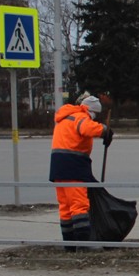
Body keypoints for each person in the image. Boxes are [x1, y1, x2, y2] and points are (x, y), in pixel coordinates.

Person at [49, 92, 113, 248]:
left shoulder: (65, 117)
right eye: (95, 115)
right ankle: (83, 245)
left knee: (65, 207)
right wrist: (105, 130)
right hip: (74, 167)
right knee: (79, 205)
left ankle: (69, 245)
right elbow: (88, 129)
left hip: (58, 168)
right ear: (91, 111)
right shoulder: (81, 117)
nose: (95, 119)